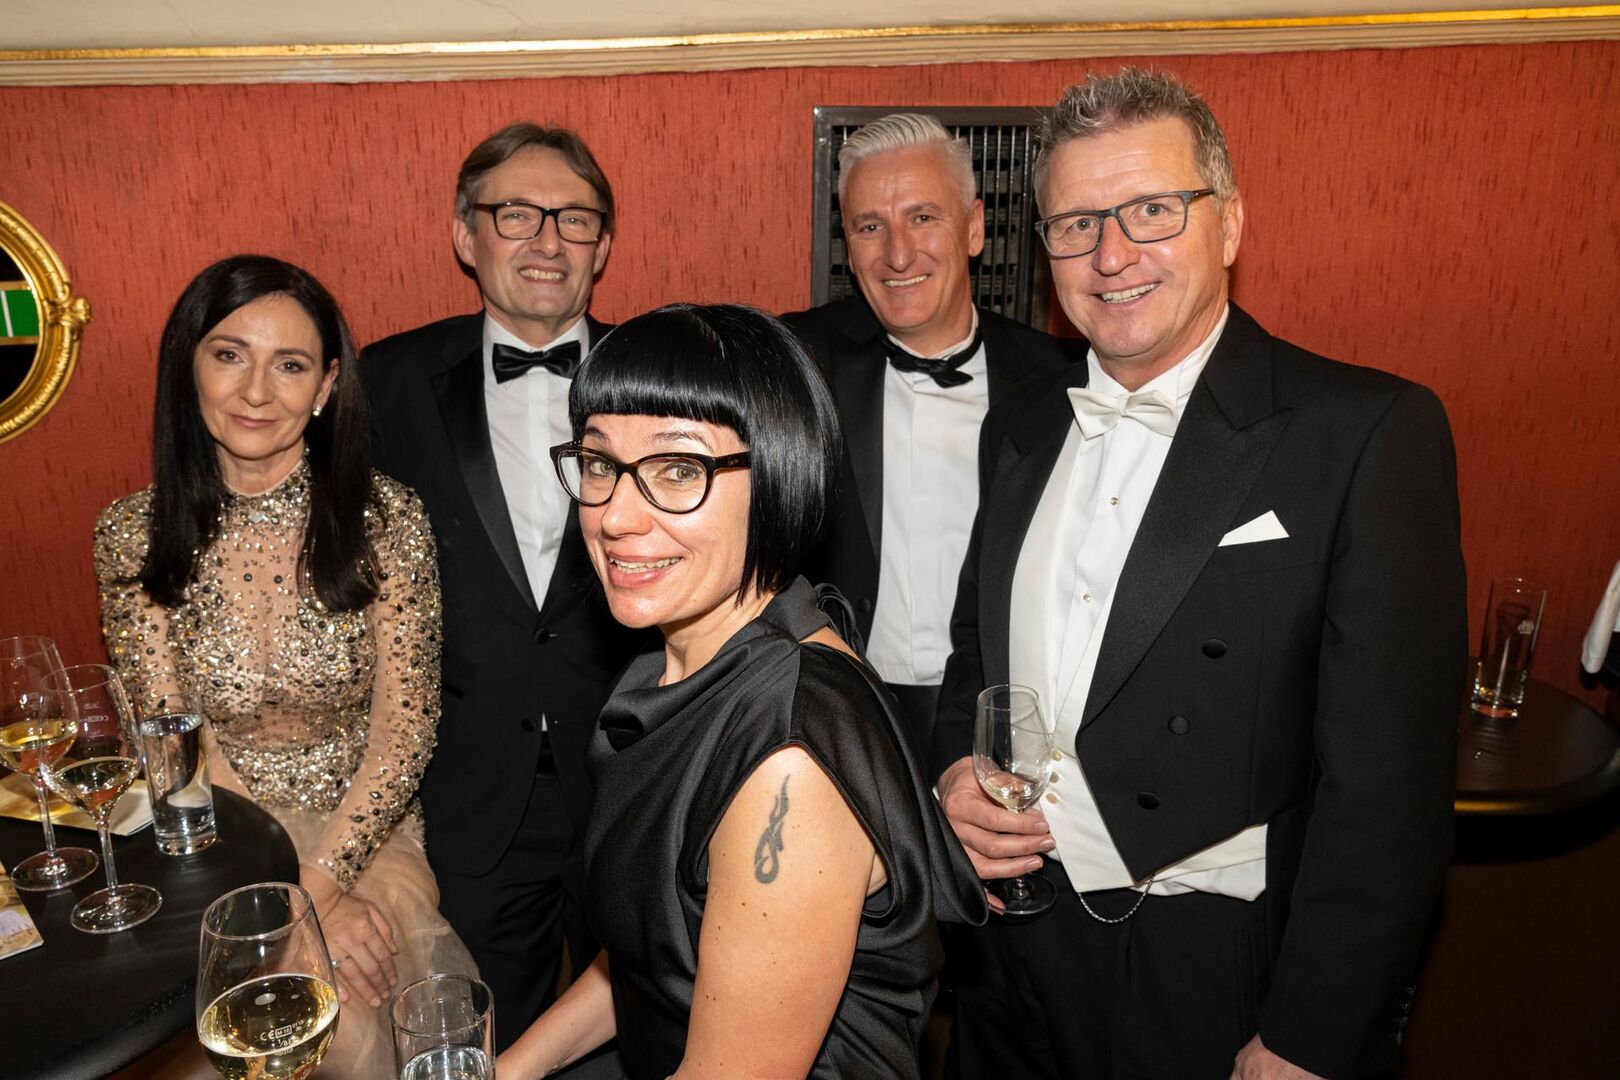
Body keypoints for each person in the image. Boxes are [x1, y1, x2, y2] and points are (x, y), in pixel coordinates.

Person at [933, 68, 1466, 1079]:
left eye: (1152, 210)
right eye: (1077, 224)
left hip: (1211, 969)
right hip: (1008, 945)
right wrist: (957, 769)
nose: (1112, 254)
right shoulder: (1024, 423)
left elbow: (1388, 793)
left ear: (1229, 226)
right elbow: (974, 649)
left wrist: (1311, 1037)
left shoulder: (1365, 433)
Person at [496, 303, 986, 1080]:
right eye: (597, 463)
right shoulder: (682, 656)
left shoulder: (787, 760)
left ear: (779, 476)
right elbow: (652, 953)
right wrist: (505, 1070)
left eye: (678, 470)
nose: (614, 516)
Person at [94, 254, 475, 1080]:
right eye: (230, 355)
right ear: (187, 365)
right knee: (243, 1007)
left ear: (327, 385)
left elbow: (405, 731)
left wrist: (321, 884)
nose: (256, 391)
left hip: (362, 832)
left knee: (350, 1014)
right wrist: (281, 900)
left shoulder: (386, 521)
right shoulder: (132, 535)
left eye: (290, 365)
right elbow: (173, 742)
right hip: (210, 835)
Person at [361, 122, 647, 1057]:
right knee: (488, 1046)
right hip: (469, 792)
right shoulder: (387, 383)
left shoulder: (661, 375)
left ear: (604, 244)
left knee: (654, 1032)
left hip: (634, 776)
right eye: (516, 214)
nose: (548, 240)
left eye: (575, 218)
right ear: (465, 234)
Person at [784, 113, 1071, 760]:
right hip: (838, 714)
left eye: (922, 217)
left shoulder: (1058, 381)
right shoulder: (797, 361)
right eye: (870, 226)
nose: (898, 254)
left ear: (974, 228)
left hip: (1006, 717)